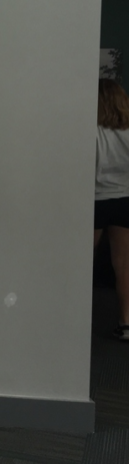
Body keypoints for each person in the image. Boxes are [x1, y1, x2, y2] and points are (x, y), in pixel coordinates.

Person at [94, 78, 129, 341]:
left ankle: (76, 323)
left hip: (94, 202)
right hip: (124, 200)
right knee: (124, 267)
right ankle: (126, 323)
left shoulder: (91, 131)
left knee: (82, 266)